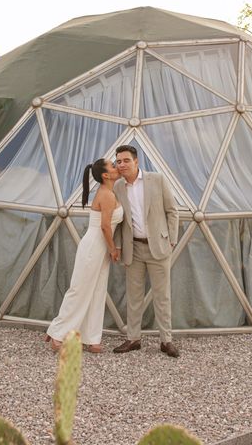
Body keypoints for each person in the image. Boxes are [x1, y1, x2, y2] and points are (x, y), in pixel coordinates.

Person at [45, 159, 123, 353]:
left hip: (100, 248)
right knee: (79, 290)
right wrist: (114, 249)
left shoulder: (110, 193)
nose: (117, 166)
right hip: (94, 247)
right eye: (113, 165)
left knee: (97, 291)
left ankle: (91, 338)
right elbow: (105, 226)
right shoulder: (106, 195)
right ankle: (58, 334)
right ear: (106, 175)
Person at [112, 145, 180, 358]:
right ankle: (133, 339)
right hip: (134, 248)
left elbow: (172, 211)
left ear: (136, 161)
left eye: (125, 161)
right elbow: (119, 220)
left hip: (158, 247)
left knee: (162, 296)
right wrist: (119, 246)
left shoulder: (156, 180)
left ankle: (166, 340)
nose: (121, 165)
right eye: (118, 161)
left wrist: (171, 240)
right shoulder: (118, 187)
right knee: (134, 296)